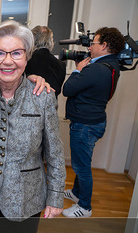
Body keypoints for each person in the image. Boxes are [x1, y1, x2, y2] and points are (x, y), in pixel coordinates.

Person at [0, 20, 66, 233]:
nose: (8, 61)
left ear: (27, 57)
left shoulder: (43, 97)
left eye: (16, 53)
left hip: (27, 199)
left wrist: (56, 196)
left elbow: (55, 154)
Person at [62, 27, 125, 218]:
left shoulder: (96, 69)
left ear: (104, 46)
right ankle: (76, 193)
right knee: (83, 162)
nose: (90, 47)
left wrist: (77, 71)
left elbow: (68, 89)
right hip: (94, 121)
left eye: (94, 43)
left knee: (81, 167)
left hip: (85, 125)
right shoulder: (113, 65)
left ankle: (85, 207)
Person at [25, 25, 66, 98]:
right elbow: (57, 91)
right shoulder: (61, 65)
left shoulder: (26, 60)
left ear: (32, 40)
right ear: (51, 41)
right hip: (51, 105)